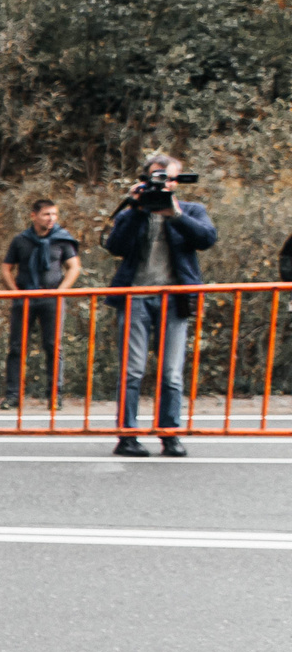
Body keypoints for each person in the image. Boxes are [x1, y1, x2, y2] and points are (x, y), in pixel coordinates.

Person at [105, 153, 216, 458]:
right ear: (145, 178)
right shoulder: (134, 212)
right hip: (135, 296)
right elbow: (114, 246)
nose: (163, 183)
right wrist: (135, 207)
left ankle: (170, 434)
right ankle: (127, 436)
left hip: (175, 299)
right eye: (157, 176)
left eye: (169, 177)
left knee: (172, 373)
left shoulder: (191, 210)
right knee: (132, 371)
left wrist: (175, 213)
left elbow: (207, 239)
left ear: (178, 181)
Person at [0, 198, 81, 407]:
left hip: (51, 300)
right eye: (46, 214)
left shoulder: (62, 239)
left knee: (54, 346)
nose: (51, 219)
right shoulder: (21, 240)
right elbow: (6, 267)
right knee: (17, 347)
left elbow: (73, 266)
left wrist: (61, 292)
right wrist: (15, 292)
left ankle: (55, 395)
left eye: (54, 214)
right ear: (33, 216)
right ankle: (13, 395)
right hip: (25, 297)